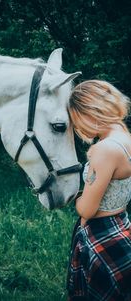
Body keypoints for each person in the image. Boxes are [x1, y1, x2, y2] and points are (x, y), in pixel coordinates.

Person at [66, 80, 131, 301]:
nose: (78, 129)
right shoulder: (124, 137)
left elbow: (87, 210)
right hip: (121, 223)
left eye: (77, 121)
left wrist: (75, 197)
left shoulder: (104, 149)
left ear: (90, 111)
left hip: (102, 236)